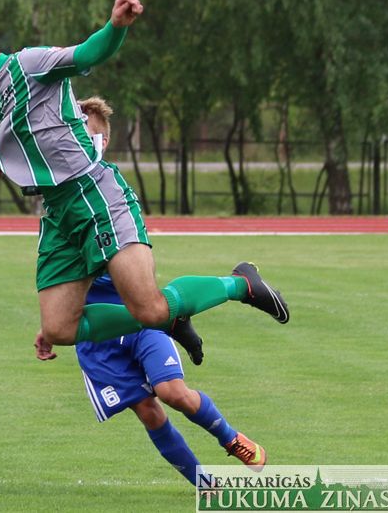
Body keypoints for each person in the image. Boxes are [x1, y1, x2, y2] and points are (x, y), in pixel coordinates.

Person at [0, 0, 289, 347]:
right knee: (58, 328)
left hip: (93, 195)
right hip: (59, 212)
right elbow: (44, 128)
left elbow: (86, 54)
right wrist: (3, 158)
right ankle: (170, 316)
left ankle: (240, 284)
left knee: (150, 308)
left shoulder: (27, 64)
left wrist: (115, 27)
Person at [33, 97, 266, 487]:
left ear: (101, 142)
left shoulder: (111, 194)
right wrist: (52, 326)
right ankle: (205, 484)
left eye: (84, 135)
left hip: (138, 320)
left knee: (173, 393)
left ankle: (231, 439)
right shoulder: (57, 203)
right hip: (98, 335)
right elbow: (58, 280)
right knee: (149, 410)